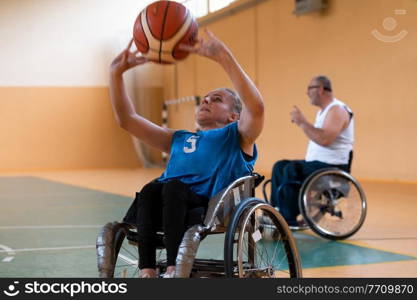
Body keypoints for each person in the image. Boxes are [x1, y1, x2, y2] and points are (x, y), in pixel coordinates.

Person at [109, 29, 264, 278]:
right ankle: (147, 269)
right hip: (168, 202)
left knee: (172, 188)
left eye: (216, 99)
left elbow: (256, 108)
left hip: (208, 204)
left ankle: (173, 267)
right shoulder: (178, 138)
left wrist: (223, 56)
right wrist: (115, 74)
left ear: (233, 116)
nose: (206, 101)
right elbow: (127, 119)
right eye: (204, 99)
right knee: (150, 190)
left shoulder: (237, 135)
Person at [270, 75, 353, 227]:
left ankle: (287, 219)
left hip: (331, 167)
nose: (307, 93)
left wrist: (302, 122)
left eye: (310, 88)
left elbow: (324, 139)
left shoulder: (337, 110)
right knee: (280, 166)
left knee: (292, 169)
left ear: (321, 89)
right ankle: (276, 211)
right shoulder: (324, 111)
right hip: (317, 165)